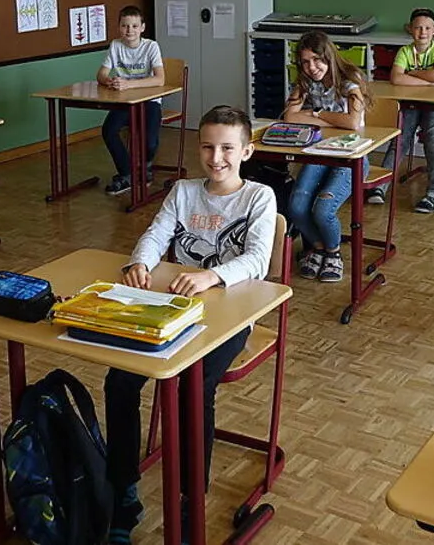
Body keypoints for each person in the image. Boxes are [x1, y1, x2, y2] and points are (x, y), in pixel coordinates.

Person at [105, 105, 275, 544]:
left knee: (193, 385)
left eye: (227, 148)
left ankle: (189, 497)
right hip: (173, 309)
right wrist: (140, 263)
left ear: (246, 151)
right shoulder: (182, 191)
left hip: (232, 314)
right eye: (207, 147)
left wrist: (210, 276)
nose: (216, 158)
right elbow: (156, 233)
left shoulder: (259, 197)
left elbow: (257, 260)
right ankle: (122, 490)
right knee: (120, 379)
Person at [282, 30, 371, 283]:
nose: (312, 68)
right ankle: (319, 248)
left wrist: (316, 113)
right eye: (305, 62)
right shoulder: (304, 83)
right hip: (319, 153)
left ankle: (333, 253)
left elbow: (352, 122)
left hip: (351, 157)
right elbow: (290, 117)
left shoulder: (350, 80)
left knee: (322, 209)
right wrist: (333, 119)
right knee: (296, 206)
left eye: (317, 60)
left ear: (329, 56)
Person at [368, 7, 434, 213]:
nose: (422, 32)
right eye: (418, 28)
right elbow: (396, 78)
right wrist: (428, 80)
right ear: (409, 29)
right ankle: (380, 185)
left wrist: (412, 73)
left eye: (427, 28)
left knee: (433, 142)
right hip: (411, 103)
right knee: (399, 139)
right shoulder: (405, 51)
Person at [97, 4, 166, 197]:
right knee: (108, 130)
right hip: (125, 102)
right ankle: (127, 173)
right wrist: (110, 81)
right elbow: (101, 74)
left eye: (134, 26)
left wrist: (129, 84)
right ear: (119, 27)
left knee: (149, 142)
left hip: (150, 101)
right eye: (125, 26)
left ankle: (146, 167)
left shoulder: (151, 46)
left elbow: (160, 79)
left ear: (142, 28)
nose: (130, 30)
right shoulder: (115, 45)